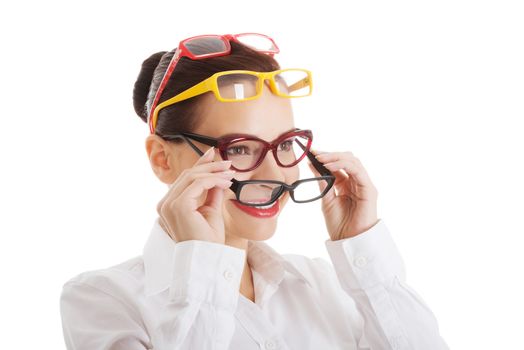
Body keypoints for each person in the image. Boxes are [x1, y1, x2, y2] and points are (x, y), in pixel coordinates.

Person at [59, 33, 449, 349]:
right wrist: (202, 261)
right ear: (163, 159)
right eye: (240, 149)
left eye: (283, 145)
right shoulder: (102, 301)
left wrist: (363, 253)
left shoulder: (322, 283)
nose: (275, 174)